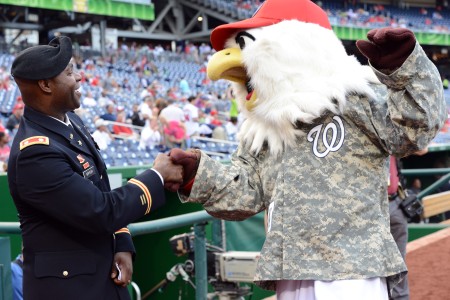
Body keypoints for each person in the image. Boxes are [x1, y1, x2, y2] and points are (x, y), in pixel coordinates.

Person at [164, 0, 447, 299]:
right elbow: (245, 193)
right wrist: (199, 175)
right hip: (292, 271)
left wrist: (407, 70)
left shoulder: (353, 97)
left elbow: (415, 131)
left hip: (352, 271)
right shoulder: (262, 129)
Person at [7, 36, 183, 300]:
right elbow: (101, 210)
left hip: (102, 277)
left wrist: (121, 242)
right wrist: (157, 176)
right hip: (70, 290)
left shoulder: (70, 122)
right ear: (45, 85)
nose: (79, 77)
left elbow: (100, 184)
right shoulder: (36, 153)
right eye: (69, 72)